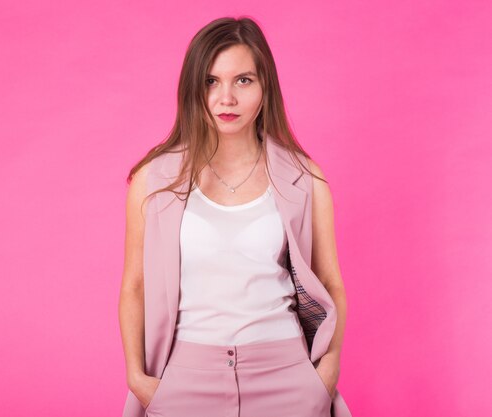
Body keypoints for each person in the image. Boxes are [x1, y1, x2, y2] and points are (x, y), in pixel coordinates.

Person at [119, 16, 352, 417]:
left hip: (285, 376)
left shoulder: (303, 177)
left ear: (265, 87)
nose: (226, 98)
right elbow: (134, 287)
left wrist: (326, 371)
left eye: (243, 80)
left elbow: (330, 280)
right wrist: (137, 378)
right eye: (212, 81)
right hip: (187, 378)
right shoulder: (153, 179)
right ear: (194, 88)